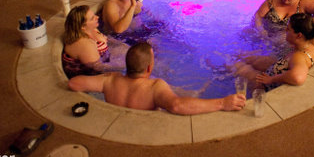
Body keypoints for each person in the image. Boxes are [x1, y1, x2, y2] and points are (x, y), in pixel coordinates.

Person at [69, 42, 245, 114]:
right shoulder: (154, 87)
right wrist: (222, 103)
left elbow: (74, 83)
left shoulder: (110, 80)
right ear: (149, 67)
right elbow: (177, 105)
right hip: (145, 132)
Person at [235, 13, 314, 91]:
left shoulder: (298, 57)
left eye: (288, 30)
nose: (285, 32)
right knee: (246, 57)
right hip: (279, 66)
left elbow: (298, 77)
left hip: (265, 84)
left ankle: (221, 71)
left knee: (237, 65)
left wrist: (271, 79)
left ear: (299, 35)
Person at [62, 5, 113, 78]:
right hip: (88, 75)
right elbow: (98, 68)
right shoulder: (85, 45)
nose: (97, 17)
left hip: (105, 59)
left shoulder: (91, 30)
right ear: (82, 26)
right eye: (92, 18)